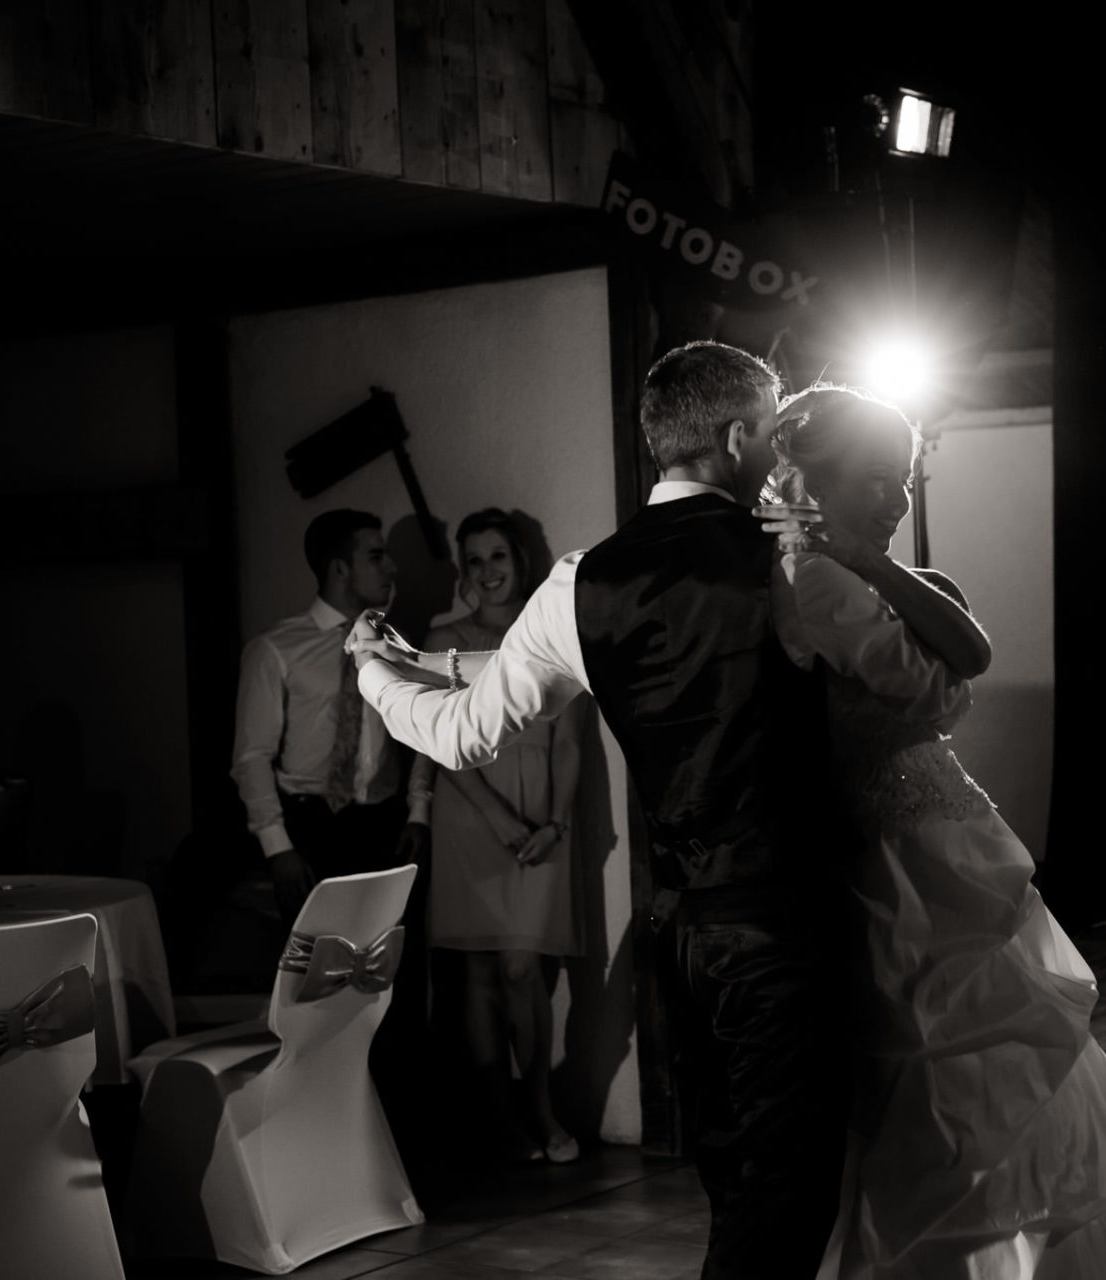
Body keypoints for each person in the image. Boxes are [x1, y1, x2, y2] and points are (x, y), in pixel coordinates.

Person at [348, 342, 858, 1279]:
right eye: (772, 427)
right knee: (789, 1191)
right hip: (787, 921)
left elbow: (469, 728)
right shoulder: (793, 561)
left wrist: (379, 675)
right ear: (740, 436)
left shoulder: (580, 582)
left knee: (735, 1178)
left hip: (680, 929)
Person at [761, 385, 1106, 1280]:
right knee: (951, 1082)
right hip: (901, 859)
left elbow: (970, 656)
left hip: (944, 839)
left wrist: (872, 563)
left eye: (903, 482)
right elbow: (931, 682)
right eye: (874, 480)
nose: (895, 502)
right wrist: (869, 580)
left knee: (1005, 1075)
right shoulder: (810, 577)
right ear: (812, 478)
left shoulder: (843, 565)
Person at [409, 507, 587, 1162]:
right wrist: (495, 816)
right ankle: (500, 1119)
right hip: (470, 815)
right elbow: (436, 738)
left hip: (541, 821)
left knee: (522, 970)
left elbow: (570, 743)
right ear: (463, 572)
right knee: (480, 975)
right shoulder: (442, 637)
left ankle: (539, 1108)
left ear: (520, 563)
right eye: (475, 560)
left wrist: (556, 821)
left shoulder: (551, 635)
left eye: (498, 557)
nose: (488, 571)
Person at [231, 508, 428, 922]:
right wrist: (277, 846)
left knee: (390, 965)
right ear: (340, 568)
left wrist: (417, 812)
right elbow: (252, 757)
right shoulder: (276, 649)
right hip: (310, 828)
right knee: (317, 967)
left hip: (383, 828)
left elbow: (422, 729)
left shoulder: (395, 645)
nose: (391, 567)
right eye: (376, 557)